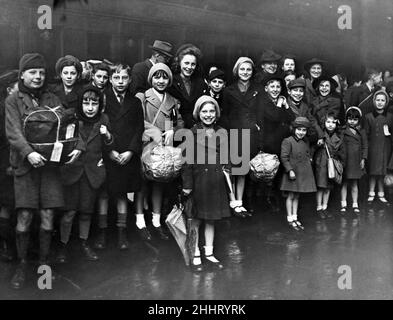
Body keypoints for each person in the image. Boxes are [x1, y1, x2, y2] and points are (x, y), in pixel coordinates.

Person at [5, 53, 83, 289]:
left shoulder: (52, 97)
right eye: (32, 72)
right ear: (22, 75)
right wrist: (29, 153)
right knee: (25, 217)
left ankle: (44, 265)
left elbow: (69, 123)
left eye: (41, 72)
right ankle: (21, 266)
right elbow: (13, 132)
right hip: (25, 167)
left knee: (48, 217)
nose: (38, 76)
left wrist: (78, 146)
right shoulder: (13, 100)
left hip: (50, 168)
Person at [56, 85, 114, 263]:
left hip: (92, 173)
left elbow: (110, 146)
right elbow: (62, 140)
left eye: (94, 103)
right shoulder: (71, 118)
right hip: (72, 171)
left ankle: (84, 242)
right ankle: (63, 245)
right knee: (69, 212)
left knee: (87, 211)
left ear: (100, 105)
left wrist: (108, 135)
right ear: (80, 104)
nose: (90, 108)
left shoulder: (103, 119)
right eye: (86, 103)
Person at [134, 63, 184, 242]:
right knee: (141, 184)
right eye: (157, 77)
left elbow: (179, 123)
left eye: (164, 77)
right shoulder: (142, 98)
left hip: (164, 148)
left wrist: (173, 131)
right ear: (151, 79)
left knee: (159, 183)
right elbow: (137, 120)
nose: (161, 81)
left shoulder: (172, 101)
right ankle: (140, 221)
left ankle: (156, 221)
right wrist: (155, 132)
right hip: (146, 145)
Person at [182, 95, 231, 272]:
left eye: (211, 111)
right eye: (204, 111)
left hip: (215, 182)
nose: (208, 115)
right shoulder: (191, 133)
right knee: (195, 220)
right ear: (198, 113)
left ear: (216, 113)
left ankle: (209, 253)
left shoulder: (222, 132)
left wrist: (227, 170)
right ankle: (195, 254)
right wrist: (187, 186)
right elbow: (187, 163)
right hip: (198, 183)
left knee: (211, 219)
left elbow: (227, 158)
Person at [103, 63, 144, 249]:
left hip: (127, 154)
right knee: (104, 193)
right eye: (117, 78)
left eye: (124, 78)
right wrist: (109, 151)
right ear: (110, 79)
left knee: (122, 193)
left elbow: (139, 128)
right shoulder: (103, 99)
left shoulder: (135, 102)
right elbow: (98, 126)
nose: (120, 82)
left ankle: (122, 233)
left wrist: (130, 151)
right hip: (109, 153)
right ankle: (102, 233)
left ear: (129, 80)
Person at [221, 57, 262, 216]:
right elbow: (224, 114)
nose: (245, 72)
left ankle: (241, 202)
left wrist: (257, 127)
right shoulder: (228, 90)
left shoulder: (258, 90)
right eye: (242, 69)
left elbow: (260, 113)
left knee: (243, 170)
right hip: (233, 133)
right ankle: (233, 202)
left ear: (252, 72)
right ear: (237, 71)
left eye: (248, 69)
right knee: (232, 169)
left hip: (250, 134)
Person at [257, 74, 292, 212]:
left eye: (278, 86)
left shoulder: (282, 102)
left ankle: (277, 199)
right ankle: (266, 201)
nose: (276, 89)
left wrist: (286, 104)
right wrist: (279, 104)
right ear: (266, 88)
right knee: (269, 173)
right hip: (269, 142)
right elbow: (274, 117)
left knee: (279, 173)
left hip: (281, 142)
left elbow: (291, 118)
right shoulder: (263, 103)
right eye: (272, 86)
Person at [280, 117, 316, 231]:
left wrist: (309, 159)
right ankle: (289, 218)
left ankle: (295, 217)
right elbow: (284, 157)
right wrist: (289, 170)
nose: (301, 132)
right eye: (299, 129)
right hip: (292, 172)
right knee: (290, 196)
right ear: (294, 129)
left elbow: (307, 153)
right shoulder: (288, 141)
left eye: (304, 130)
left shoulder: (305, 141)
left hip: (302, 173)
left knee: (297, 196)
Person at [0, 70, 18, 262]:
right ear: (8, 89)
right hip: (5, 165)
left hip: (16, 164)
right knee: (7, 205)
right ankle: (7, 245)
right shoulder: (3, 110)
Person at [363, 90, 393, 205]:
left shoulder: (390, 117)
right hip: (373, 148)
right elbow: (365, 135)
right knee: (373, 171)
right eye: (378, 100)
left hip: (386, 147)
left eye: (382, 100)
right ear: (374, 101)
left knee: (382, 171)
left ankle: (381, 194)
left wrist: (388, 134)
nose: (380, 102)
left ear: (386, 102)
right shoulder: (368, 117)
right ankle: (371, 193)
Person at [314, 113, 346, 219]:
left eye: (333, 122)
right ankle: (319, 208)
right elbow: (312, 148)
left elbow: (342, 152)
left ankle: (325, 207)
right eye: (328, 122)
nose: (330, 125)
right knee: (321, 186)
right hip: (321, 164)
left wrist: (341, 164)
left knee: (328, 187)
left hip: (332, 165)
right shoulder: (320, 135)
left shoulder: (339, 137)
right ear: (324, 123)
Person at [168, 44, 206, 129]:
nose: (189, 67)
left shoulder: (200, 83)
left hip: (196, 127)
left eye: (193, 64)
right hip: (176, 128)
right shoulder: (171, 82)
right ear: (179, 62)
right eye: (186, 63)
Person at [340, 107, 367, 214]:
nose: (352, 121)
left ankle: (355, 204)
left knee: (355, 183)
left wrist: (363, 159)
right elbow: (340, 145)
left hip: (356, 160)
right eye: (350, 119)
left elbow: (365, 146)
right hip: (346, 160)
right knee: (344, 183)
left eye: (355, 119)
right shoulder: (343, 131)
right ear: (346, 119)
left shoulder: (362, 131)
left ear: (359, 120)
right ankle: (343, 204)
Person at [285, 78, 323, 144]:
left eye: (301, 91)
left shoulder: (305, 106)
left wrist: (320, 136)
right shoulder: (285, 105)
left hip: (304, 136)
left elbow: (312, 121)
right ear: (289, 91)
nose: (298, 93)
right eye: (295, 90)